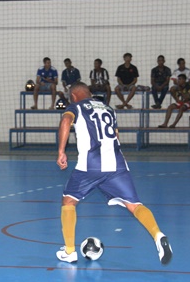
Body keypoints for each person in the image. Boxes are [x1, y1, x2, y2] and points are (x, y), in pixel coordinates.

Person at [55, 82, 172, 265]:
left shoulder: (76, 107)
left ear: (74, 96)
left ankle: (69, 251)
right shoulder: (108, 108)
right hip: (117, 164)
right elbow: (116, 136)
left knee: (68, 201)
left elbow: (65, 121)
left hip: (90, 165)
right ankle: (158, 235)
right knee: (134, 204)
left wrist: (61, 151)